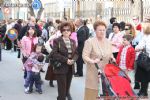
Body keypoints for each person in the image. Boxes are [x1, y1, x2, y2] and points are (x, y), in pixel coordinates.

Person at [82, 21, 114, 100]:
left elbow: (110, 53)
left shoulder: (108, 42)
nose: (102, 32)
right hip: (93, 71)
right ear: (95, 30)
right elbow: (84, 56)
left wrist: (112, 58)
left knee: (107, 91)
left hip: (106, 72)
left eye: (103, 30)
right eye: (100, 30)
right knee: (93, 93)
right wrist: (91, 61)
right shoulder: (89, 42)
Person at [50, 21, 78, 100]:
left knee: (67, 86)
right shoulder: (57, 40)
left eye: (68, 30)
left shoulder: (73, 41)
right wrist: (66, 60)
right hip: (61, 67)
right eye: (64, 29)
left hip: (70, 67)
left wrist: (73, 60)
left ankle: (66, 95)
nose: (66, 31)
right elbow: (54, 54)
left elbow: (76, 53)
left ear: (71, 31)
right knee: (62, 88)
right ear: (61, 31)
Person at [135, 22, 150, 97]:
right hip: (147, 59)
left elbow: (138, 47)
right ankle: (143, 91)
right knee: (146, 77)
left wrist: (139, 48)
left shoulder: (146, 37)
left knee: (144, 77)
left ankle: (143, 92)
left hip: (146, 60)